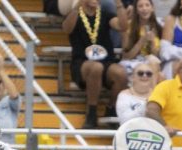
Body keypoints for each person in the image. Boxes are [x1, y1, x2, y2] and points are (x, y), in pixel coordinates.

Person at [64, 0, 127, 128]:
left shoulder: (105, 14)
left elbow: (122, 26)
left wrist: (119, 5)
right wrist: (77, 7)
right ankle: (91, 112)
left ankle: (111, 108)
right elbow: (66, 29)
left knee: (121, 72)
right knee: (96, 67)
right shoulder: (75, 13)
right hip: (82, 62)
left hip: (106, 60)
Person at [115, 0, 164, 74]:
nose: (144, 9)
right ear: (136, 10)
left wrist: (152, 43)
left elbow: (157, 56)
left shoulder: (159, 27)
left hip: (153, 62)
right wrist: (142, 40)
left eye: (147, 5)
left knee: (155, 65)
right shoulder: (128, 27)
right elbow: (126, 56)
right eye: (140, 6)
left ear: (152, 8)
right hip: (133, 62)